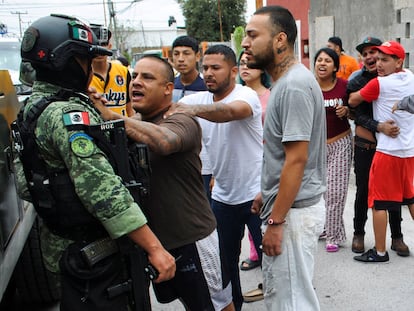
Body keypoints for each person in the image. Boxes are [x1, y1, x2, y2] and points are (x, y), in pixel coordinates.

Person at [14, 14, 175, 311]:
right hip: (94, 255)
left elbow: (26, 186)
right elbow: (103, 191)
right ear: (66, 61)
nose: (90, 68)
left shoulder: (31, 111)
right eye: (84, 59)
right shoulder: (66, 116)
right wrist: (154, 247)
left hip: (62, 249)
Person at [91, 54, 235, 311]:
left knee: (217, 307)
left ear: (168, 88)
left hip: (195, 241)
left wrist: (108, 115)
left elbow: (165, 141)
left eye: (147, 77)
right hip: (161, 245)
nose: (136, 82)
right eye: (135, 76)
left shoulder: (181, 120)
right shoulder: (136, 124)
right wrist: (97, 111)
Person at [166, 44, 263, 311]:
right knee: (225, 267)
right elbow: (163, 108)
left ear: (233, 71)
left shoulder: (247, 95)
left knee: (274, 261)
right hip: (222, 198)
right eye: (205, 68)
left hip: (257, 194)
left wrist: (190, 112)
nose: (208, 73)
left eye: (215, 68)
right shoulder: (196, 100)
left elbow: (231, 113)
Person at [242, 6, 327, 310]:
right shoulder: (287, 82)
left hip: (292, 215)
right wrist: (267, 193)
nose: (245, 43)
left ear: (279, 40)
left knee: (293, 303)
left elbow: (297, 160)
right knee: (285, 298)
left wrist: (277, 221)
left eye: (253, 35)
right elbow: (285, 155)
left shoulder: (292, 86)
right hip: (290, 209)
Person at [349, 41, 414, 263]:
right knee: (410, 198)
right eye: (373, 57)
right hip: (407, 151)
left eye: (383, 59)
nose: (377, 63)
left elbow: (353, 100)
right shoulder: (411, 76)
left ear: (399, 61)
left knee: (378, 202)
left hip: (387, 152)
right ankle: (362, 234)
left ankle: (380, 251)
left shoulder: (378, 83)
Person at [237, 51, 269, 303]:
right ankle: (254, 254)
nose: (245, 67)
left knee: (261, 214)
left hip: (266, 161)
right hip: (241, 164)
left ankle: (270, 273)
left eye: (250, 63)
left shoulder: (271, 95)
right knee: (246, 210)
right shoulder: (232, 97)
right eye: (241, 64)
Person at [314, 47, 352, 253]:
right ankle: (327, 226)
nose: (322, 63)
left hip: (340, 142)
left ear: (335, 66)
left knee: (335, 191)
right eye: (319, 60)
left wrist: (347, 110)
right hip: (314, 145)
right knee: (316, 191)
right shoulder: (309, 87)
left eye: (327, 61)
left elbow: (356, 112)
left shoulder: (345, 87)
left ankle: (333, 235)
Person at [170, 35, 212, 203]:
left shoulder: (207, 87)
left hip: (203, 162)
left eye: (186, 53)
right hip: (175, 159)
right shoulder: (169, 85)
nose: (181, 59)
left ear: (197, 56)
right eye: (176, 54)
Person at [89, 24, 134, 117]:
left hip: (123, 126)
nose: (100, 49)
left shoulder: (123, 71)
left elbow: (129, 108)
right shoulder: (83, 75)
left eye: (103, 44)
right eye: (96, 44)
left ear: (109, 46)